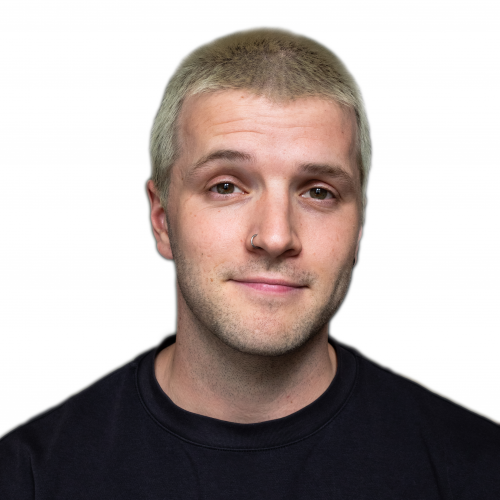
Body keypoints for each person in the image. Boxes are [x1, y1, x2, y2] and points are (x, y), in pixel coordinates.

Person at [1, 28, 499, 499]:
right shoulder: (28, 478)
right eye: (226, 186)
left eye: (319, 192)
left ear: (359, 227)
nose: (276, 237)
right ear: (162, 219)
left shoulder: (479, 471)